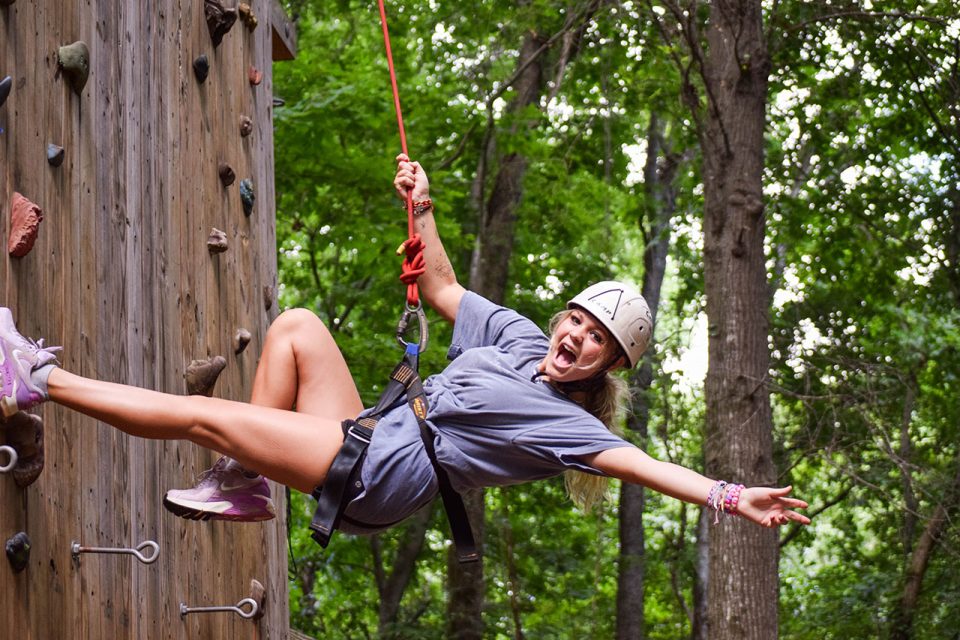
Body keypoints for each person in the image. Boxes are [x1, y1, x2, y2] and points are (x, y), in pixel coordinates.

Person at [0, 154, 810, 534]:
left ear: (605, 368)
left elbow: (639, 465)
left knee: (198, 414)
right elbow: (443, 292)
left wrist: (730, 497)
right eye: (578, 322)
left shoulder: (566, 424)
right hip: (375, 431)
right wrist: (420, 208)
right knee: (299, 328)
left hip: (385, 472)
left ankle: (37, 376)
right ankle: (245, 484)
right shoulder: (517, 337)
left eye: (596, 343)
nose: (575, 340)